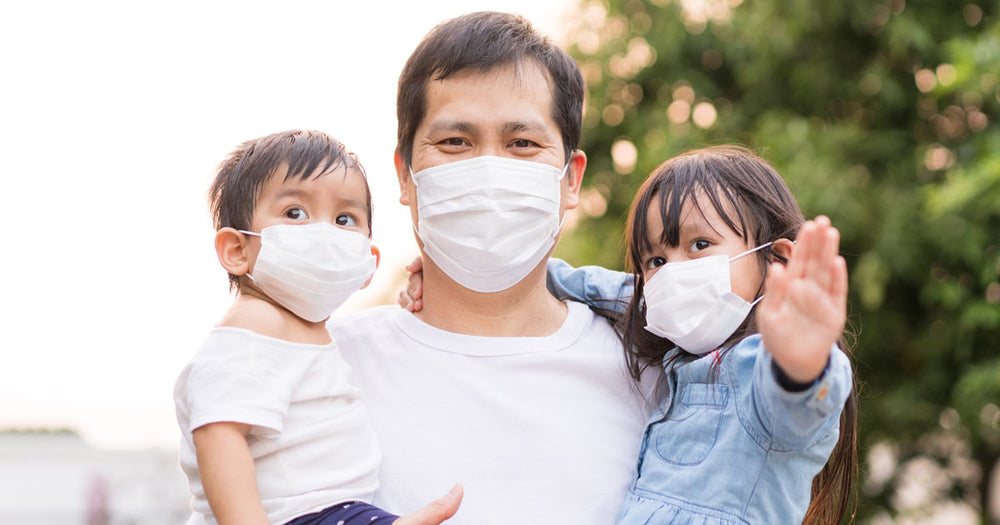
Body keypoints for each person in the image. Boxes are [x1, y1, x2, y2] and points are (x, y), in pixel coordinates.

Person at [329, 12, 654, 525]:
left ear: (571, 180)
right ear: (405, 176)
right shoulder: (320, 368)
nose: (487, 168)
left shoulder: (654, 372)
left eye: (522, 143)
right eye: (455, 142)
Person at [548, 146, 859, 523]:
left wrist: (803, 367)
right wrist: (529, 271)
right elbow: (601, 287)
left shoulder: (758, 372)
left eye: (700, 245)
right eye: (657, 261)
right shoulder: (677, 354)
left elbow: (801, 409)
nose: (672, 273)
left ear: (776, 258)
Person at [173, 130, 462, 525]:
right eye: (295, 213)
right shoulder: (257, 321)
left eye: (345, 219)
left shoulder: (305, 330)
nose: (325, 233)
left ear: (368, 260)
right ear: (238, 249)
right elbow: (218, 431)